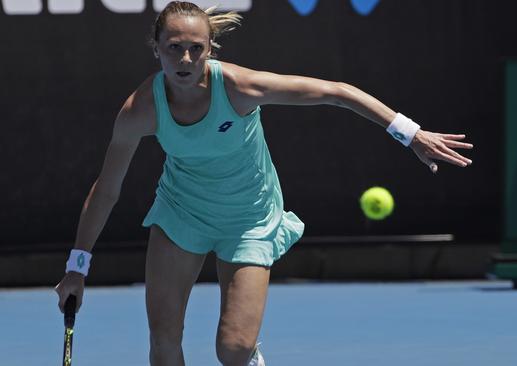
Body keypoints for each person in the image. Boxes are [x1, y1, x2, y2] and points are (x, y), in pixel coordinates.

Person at [54, 2, 473, 366]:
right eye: (174, 48)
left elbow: (337, 91)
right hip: (182, 213)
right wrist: (77, 267)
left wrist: (410, 133)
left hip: (249, 218)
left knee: (232, 350)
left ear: (210, 50)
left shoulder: (239, 88)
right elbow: (107, 188)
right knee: (164, 342)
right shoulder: (139, 110)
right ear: (157, 50)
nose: (184, 59)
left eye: (195, 49)